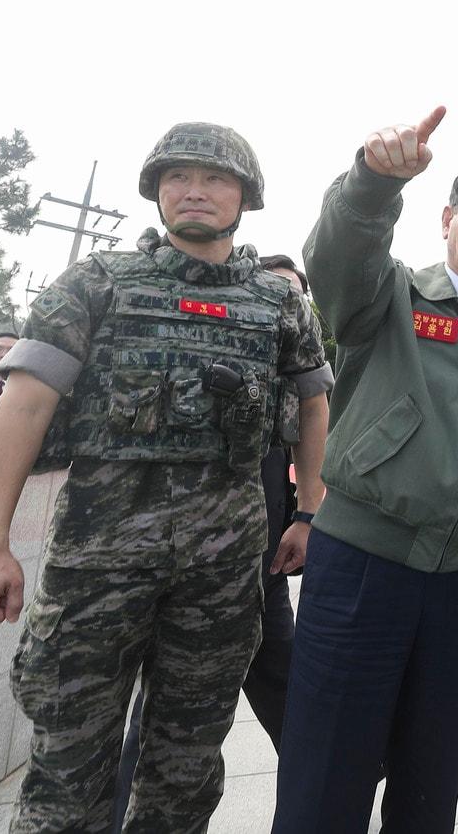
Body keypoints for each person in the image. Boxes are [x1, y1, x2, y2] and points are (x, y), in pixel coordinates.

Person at [0, 122, 331, 832]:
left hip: (220, 578)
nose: (195, 189)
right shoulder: (94, 285)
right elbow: (24, 406)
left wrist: (311, 511)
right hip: (96, 571)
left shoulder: (278, 302)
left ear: (244, 196)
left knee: (186, 769)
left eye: (215, 178)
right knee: (67, 772)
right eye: (177, 176)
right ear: (156, 190)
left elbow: (314, 404)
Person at [273, 106, 458, 833]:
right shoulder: (389, 295)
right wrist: (370, 186)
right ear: (447, 218)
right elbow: (336, 259)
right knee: (327, 773)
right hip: (364, 563)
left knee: (430, 776)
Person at [111, 253, 327, 829]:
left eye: (297, 298)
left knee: (286, 681)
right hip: (186, 565)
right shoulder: (212, 368)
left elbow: (308, 456)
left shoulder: (298, 390)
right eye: (277, 295)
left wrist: (304, 519)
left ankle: (328, 785)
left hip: (263, 566)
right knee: (162, 708)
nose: (288, 309)